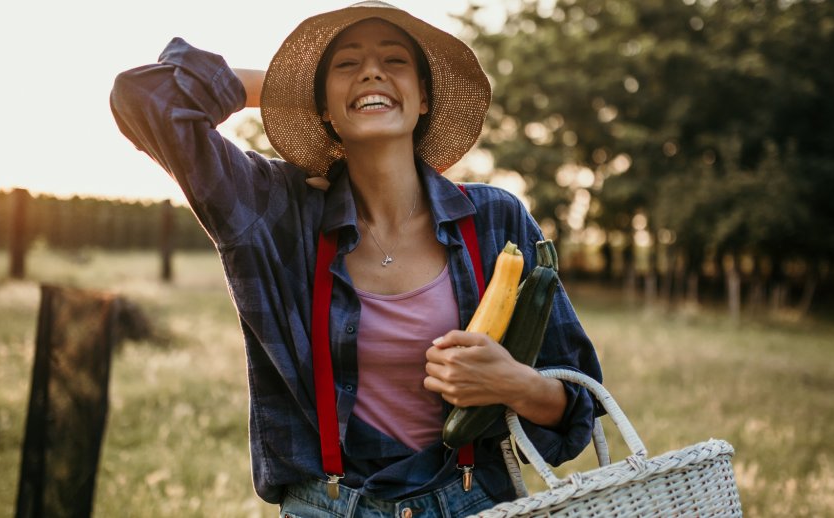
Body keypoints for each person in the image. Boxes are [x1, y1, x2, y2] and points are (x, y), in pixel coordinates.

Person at [110, 1, 602, 516]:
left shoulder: (495, 220)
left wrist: (514, 383)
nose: (371, 71)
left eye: (394, 61)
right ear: (322, 104)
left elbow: (577, 410)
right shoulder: (276, 212)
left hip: (474, 501)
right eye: (346, 64)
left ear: (424, 97)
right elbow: (143, 96)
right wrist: (284, 91)